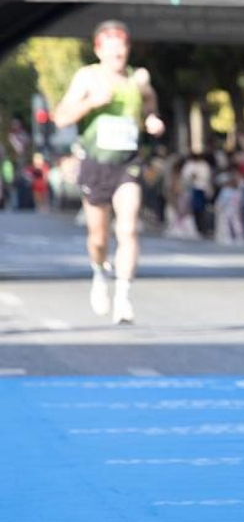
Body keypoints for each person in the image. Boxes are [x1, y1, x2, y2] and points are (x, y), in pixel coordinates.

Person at [50, 20, 165, 324]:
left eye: (123, 48)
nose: (119, 55)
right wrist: (91, 102)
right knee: (98, 238)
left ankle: (124, 298)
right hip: (95, 164)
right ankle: (100, 272)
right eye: (112, 49)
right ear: (99, 50)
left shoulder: (137, 78)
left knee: (127, 229)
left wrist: (152, 119)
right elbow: (60, 118)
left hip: (127, 163)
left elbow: (151, 103)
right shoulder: (87, 77)